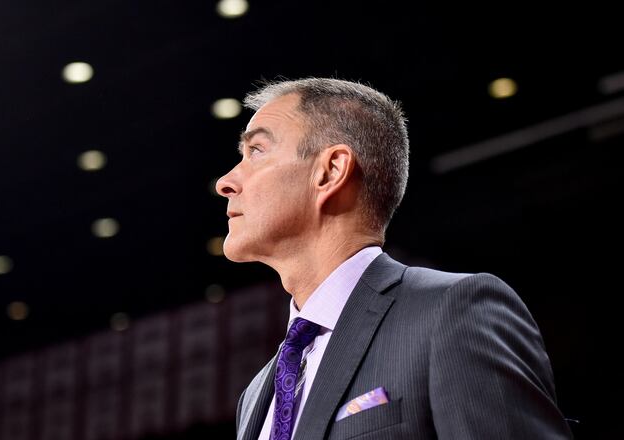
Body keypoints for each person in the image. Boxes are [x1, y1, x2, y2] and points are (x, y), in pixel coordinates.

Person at [215, 78, 572, 439]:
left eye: (256, 151)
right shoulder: (258, 393)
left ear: (331, 171)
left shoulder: (451, 311)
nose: (225, 182)